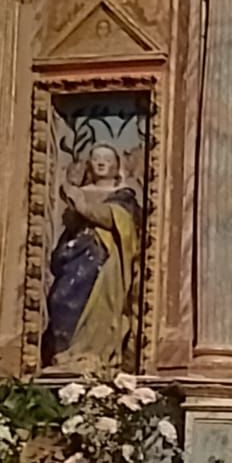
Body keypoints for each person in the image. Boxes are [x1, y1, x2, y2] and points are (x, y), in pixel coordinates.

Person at [44, 143, 142, 372]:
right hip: (76, 253)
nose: (100, 163)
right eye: (96, 158)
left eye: (106, 159)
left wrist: (84, 207)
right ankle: (66, 354)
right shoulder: (80, 191)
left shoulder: (122, 196)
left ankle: (94, 354)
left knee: (101, 306)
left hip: (105, 259)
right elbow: (71, 226)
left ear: (116, 165)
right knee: (61, 299)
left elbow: (117, 219)